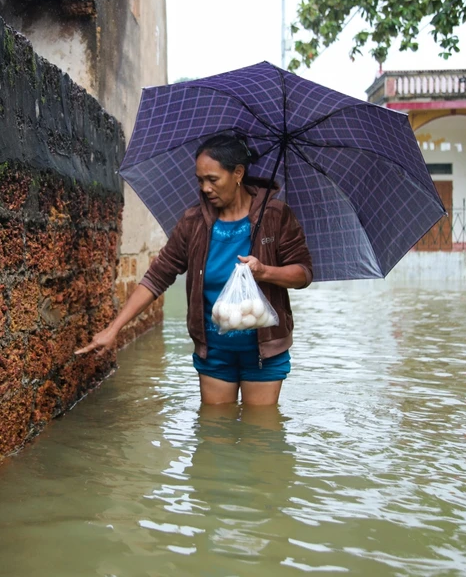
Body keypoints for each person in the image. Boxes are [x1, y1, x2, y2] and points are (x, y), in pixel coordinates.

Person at [76, 134, 313, 406]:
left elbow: (303, 273)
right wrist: (114, 328)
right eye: (200, 180)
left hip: (265, 351)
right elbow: (157, 277)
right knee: (213, 437)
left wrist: (264, 272)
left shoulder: (275, 215)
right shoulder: (193, 222)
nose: (205, 188)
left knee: (259, 435)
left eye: (213, 179)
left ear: (238, 173)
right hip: (214, 351)